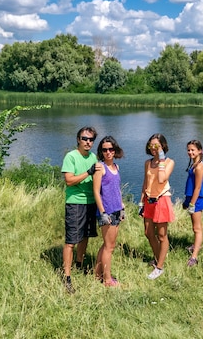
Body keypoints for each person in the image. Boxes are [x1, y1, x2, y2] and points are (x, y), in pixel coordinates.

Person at [61, 126, 102, 294]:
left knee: (85, 236)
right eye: (85, 138)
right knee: (71, 240)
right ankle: (66, 276)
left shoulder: (93, 157)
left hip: (91, 202)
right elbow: (69, 181)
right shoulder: (71, 156)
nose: (88, 142)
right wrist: (88, 172)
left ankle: (79, 264)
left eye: (91, 139)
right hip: (75, 203)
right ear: (78, 139)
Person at [138, 133, 175, 280]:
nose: (153, 148)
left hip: (161, 200)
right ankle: (158, 257)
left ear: (163, 146)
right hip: (149, 200)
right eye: (151, 145)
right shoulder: (147, 163)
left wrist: (161, 159)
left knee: (161, 235)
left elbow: (161, 179)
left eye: (157, 146)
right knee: (148, 232)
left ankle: (159, 267)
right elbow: (145, 182)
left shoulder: (169, 162)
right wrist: (141, 201)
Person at [92, 136, 126, 287]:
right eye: (104, 150)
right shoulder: (100, 168)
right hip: (107, 212)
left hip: (117, 210)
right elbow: (96, 192)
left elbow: (116, 190)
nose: (108, 152)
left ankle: (97, 273)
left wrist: (122, 206)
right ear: (101, 152)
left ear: (115, 150)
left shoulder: (116, 167)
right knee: (109, 247)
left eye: (111, 149)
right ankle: (107, 280)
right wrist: (103, 213)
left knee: (107, 244)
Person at [182, 140, 203, 267]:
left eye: (193, 150)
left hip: (196, 201)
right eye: (188, 150)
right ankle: (194, 246)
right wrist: (186, 201)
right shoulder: (194, 164)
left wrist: (192, 204)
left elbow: (197, 188)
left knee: (197, 229)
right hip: (191, 199)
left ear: (199, 151)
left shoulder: (199, 166)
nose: (190, 152)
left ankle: (194, 257)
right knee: (194, 227)